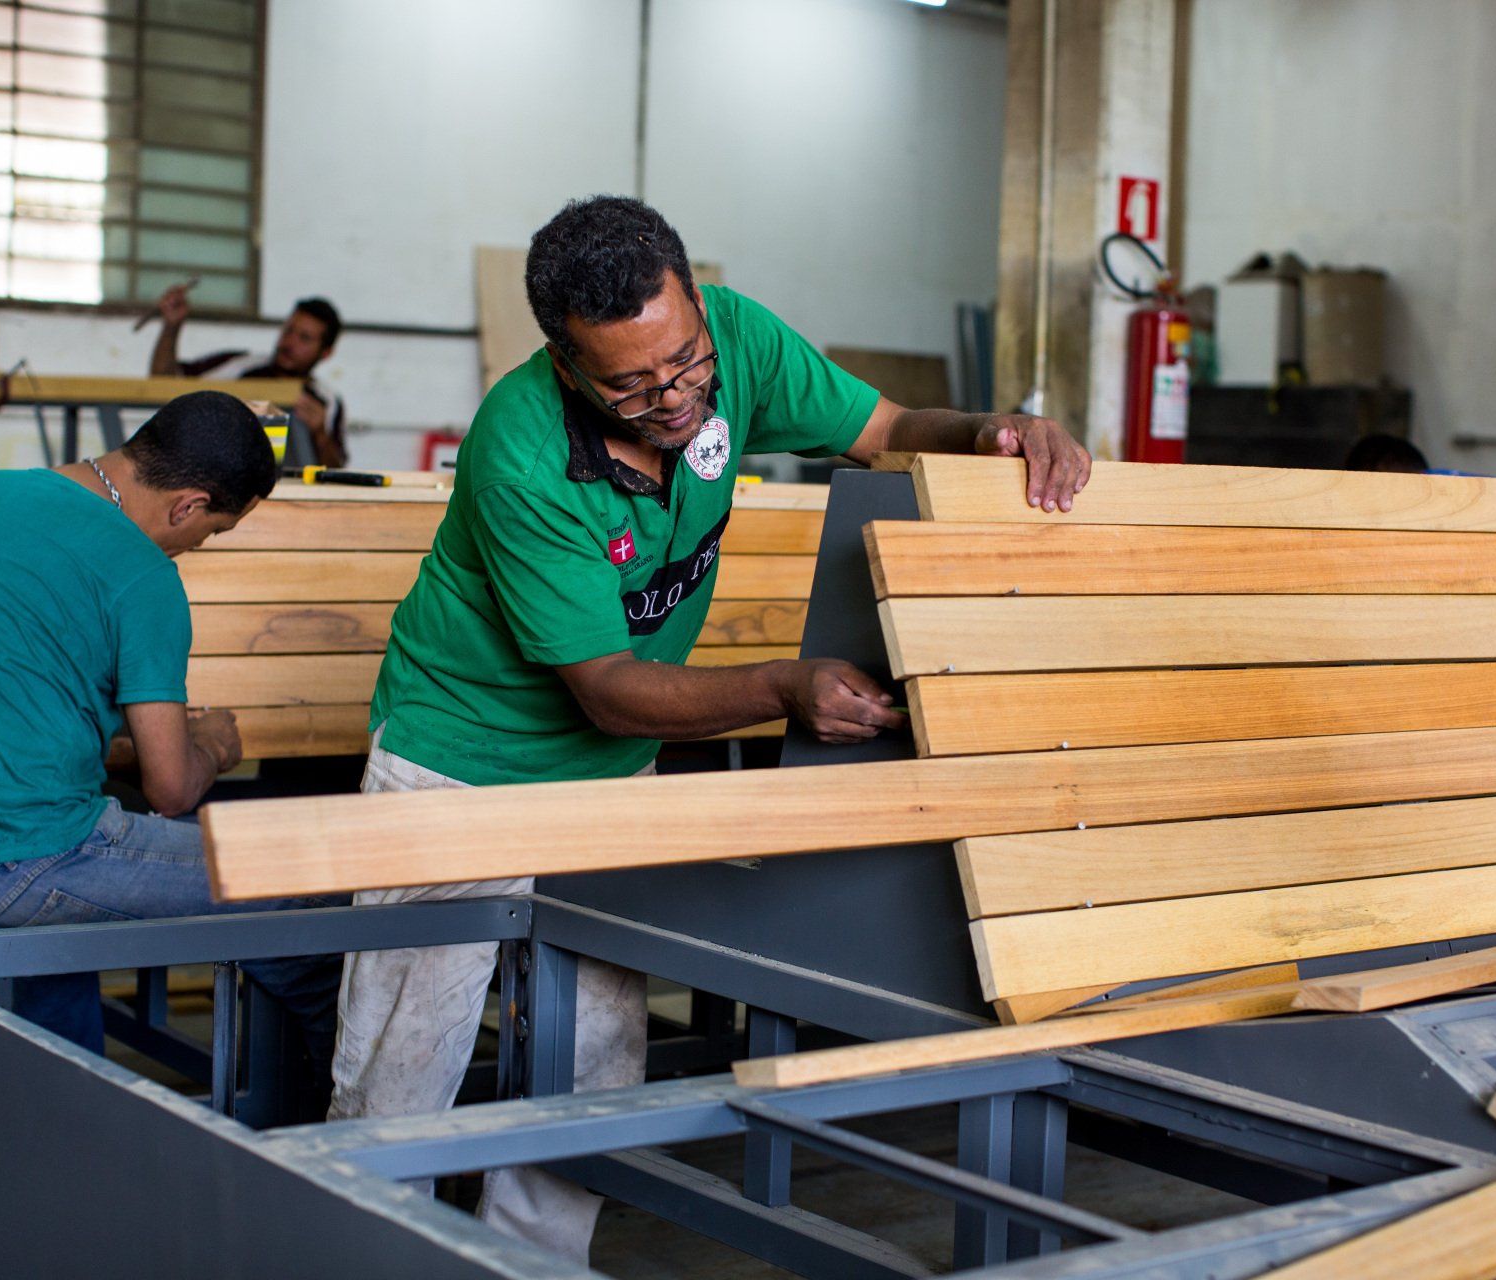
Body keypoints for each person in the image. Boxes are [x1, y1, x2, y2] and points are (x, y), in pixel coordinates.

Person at [331, 195, 1091, 1262]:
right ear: (563, 360)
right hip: (461, 761)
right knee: (404, 1058)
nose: (674, 395)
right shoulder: (521, 452)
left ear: (694, 301)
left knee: (596, 1050)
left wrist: (988, 430)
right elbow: (605, 685)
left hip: (607, 777)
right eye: (631, 383)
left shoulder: (732, 339)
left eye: (684, 361)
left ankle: (535, 1259)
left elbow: (881, 430)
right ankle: (355, 1248)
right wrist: (785, 686)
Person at [0, 391, 342, 1062]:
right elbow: (171, 790)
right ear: (188, 504)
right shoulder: (143, 576)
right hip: (19, 862)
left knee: (64, 963)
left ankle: (62, 1123)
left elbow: (8, 695)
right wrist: (213, 745)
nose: (197, 546)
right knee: (298, 894)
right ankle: (328, 1123)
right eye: (212, 531)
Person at [149, 286, 349, 468]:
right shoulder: (239, 365)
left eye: (304, 338)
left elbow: (337, 471)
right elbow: (163, 381)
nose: (289, 342)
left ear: (326, 353)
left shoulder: (327, 401)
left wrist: (320, 435)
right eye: (288, 330)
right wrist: (171, 327)